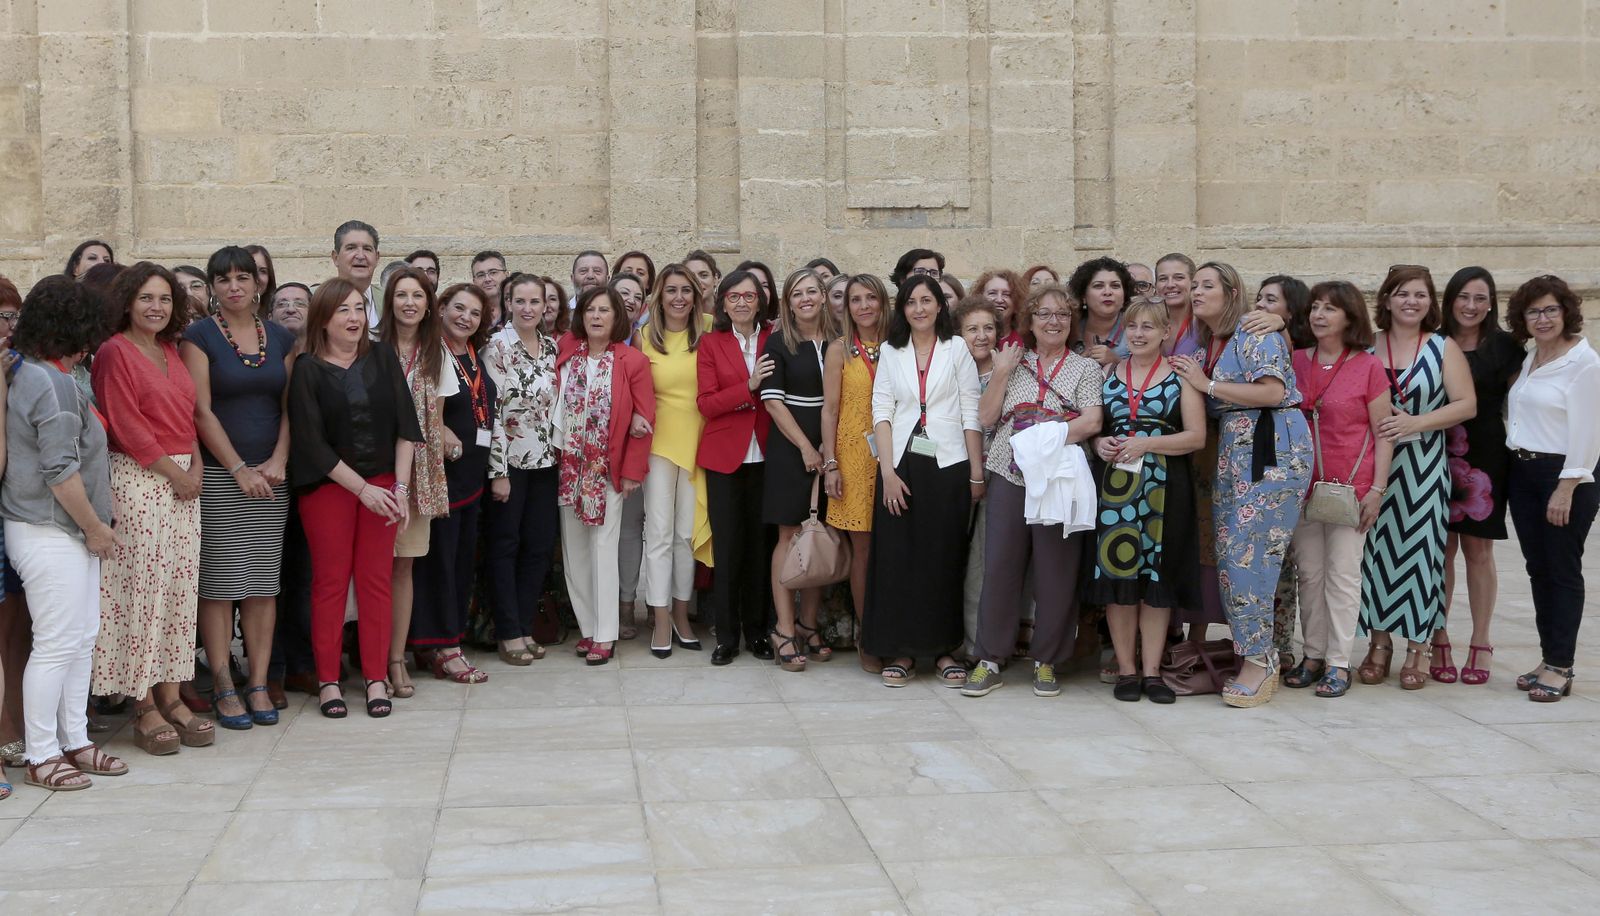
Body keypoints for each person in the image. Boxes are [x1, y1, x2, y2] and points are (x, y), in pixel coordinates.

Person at [2, 277, 127, 789]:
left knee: (81, 639)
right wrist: (95, 528)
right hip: (49, 528)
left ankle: (74, 739)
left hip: (65, 529)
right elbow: (59, 469)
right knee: (57, 643)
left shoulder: (49, 374)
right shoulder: (48, 382)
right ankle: (41, 753)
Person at [1171, 262, 1313, 707]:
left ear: (1232, 293)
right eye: (1194, 285)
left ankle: (1259, 662)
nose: (1196, 292)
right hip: (1235, 453)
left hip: (1271, 450)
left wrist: (1207, 384)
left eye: (1206, 285)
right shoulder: (1209, 342)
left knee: (1246, 558)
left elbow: (1273, 391)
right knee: (1235, 557)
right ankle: (1257, 652)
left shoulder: (1255, 332)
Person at [288, 278, 422, 718]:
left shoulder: (382, 357)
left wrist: (399, 489)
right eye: (342, 310)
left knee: (376, 582)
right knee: (330, 583)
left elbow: (406, 427)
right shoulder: (307, 368)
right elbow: (311, 444)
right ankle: (329, 681)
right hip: (330, 489)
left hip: (384, 486)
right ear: (324, 319)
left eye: (359, 309)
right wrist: (362, 490)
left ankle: (375, 677)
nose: (353, 318)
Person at [89, 263, 208, 748]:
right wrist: (176, 474)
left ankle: (173, 695)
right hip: (140, 481)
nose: (156, 307)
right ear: (126, 303)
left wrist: (196, 465)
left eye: (164, 298)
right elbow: (125, 424)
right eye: (146, 298)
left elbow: (188, 416)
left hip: (183, 483)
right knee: (143, 592)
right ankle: (143, 705)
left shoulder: (169, 349)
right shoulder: (114, 352)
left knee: (178, 591)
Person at [964, 284, 1103, 697]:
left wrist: (1041, 438)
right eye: (1044, 314)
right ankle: (990, 658)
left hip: (1059, 478)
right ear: (1030, 320)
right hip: (1009, 473)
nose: (1053, 322)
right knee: (1000, 567)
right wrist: (1001, 372)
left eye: (1062, 314)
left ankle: (1047, 661)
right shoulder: (1011, 361)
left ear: (1071, 321)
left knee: (1056, 571)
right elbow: (986, 416)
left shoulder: (1084, 368)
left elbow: (1092, 421)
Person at [181, 247, 295, 729]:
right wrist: (237, 469)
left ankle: (259, 681)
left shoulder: (282, 336)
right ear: (212, 287)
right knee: (220, 584)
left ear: (258, 283)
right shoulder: (199, 336)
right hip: (221, 477)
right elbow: (200, 410)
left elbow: (291, 407)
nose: (234, 286)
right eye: (223, 279)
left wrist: (279, 459)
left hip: (272, 478)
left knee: (263, 584)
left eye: (243, 277)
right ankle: (225, 684)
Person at [1358, 266, 1476, 690]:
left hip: (1423, 467)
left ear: (1430, 302)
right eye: (1403, 293)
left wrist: (1416, 423)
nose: (1412, 301)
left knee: (1422, 555)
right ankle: (1379, 644)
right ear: (1387, 300)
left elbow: (1466, 404)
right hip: (1375, 467)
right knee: (1374, 553)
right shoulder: (1368, 346)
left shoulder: (1442, 347)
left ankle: (1418, 647)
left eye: (1420, 295)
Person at [867, 274, 984, 688]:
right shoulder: (890, 350)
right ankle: (900, 650)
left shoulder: (957, 349)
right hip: (899, 464)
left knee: (943, 558)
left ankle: (944, 649)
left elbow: (970, 411)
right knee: (898, 559)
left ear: (939, 306)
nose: (919, 308)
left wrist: (976, 473)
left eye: (926, 300)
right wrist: (887, 473)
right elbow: (881, 411)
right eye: (911, 301)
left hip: (948, 463)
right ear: (903, 309)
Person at [1085, 299, 1204, 703]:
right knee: (1118, 574)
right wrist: (1099, 443)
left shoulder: (1181, 376)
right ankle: (1126, 670)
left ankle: (1152, 672)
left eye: (1148, 327)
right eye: (1132, 326)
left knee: (1156, 577)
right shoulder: (1107, 373)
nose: (1138, 334)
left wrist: (1146, 444)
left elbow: (1196, 437)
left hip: (1164, 487)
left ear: (1166, 333)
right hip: (1115, 488)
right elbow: (1095, 428)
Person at [1284, 281, 1393, 698]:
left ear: (1350, 317)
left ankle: (1338, 662)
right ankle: (1312, 655)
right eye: (1315, 307)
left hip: (1352, 488)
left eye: (1330, 308)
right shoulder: (1296, 359)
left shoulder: (1368, 366)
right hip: (1302, 485)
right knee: (1309, 574)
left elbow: (1384, 433)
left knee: (1343, 575)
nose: (1319, 315)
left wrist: (1377, 489)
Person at [1505, 275, 1600, 702]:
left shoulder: (1584, 363)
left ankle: (1561, 665)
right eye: (1533, 311)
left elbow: (1590, 432)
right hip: (1524, 472)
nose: (1542, 319)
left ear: (1566, 313)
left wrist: (1566, 487)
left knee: (1562, 571)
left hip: (1564, 476)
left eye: (1550, 310)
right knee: (1538, 569)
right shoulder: (1533, 357)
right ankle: (1549, 657)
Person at [555, 287, 654, 666]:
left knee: (603, 548)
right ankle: (588, 627)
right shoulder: (567, 350)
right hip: (569, 466)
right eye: (590, 310)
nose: (596, 316)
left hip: (606, 469)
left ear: (618, 318)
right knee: (575, 551)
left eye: (605, 310)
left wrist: (632, 472)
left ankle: (606, 633)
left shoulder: (632, 361)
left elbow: (645, 418)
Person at [1436, 267, 1521, 685]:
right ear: (1450, 299)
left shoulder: (1506, 347)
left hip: (1485, 458)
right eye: (1464, 297)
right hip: (1435, 451)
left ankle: (1481, 641)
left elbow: (1520, 404)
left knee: (1478, 551)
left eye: (1480, 298)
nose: (1471, 306)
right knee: (1441, 551)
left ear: (1491, 304)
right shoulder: (1433, 341)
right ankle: (1438, 639)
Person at [375, 267, 456, 697]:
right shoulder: (371, 346)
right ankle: (370, 661)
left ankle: (395, 658)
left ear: (429, 305)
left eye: (418, 295)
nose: (409, 302)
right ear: (389, 302)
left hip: (419, 472)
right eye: (401, 295)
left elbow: (436, 419)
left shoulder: (436, 353)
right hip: (373, 470)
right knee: (370, 570)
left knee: (402, 566)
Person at [411, 284, 495, 684]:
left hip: (472, 477)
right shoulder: (431, 352)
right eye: (459, 308)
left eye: (475, 313)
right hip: (441, 478)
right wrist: (441, 427)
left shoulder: (476, 354)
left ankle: (447, 640)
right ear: (441, 308)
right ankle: (442, 647)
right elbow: (422, 405)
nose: (466, 317)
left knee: (460, 564)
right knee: (439, 565)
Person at [760, 268, 840, 671]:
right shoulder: (778, 342)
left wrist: (830, 445)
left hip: (833, 446)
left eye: (812, 291)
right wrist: (807, 447)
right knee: (790, 534)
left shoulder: (840, 340)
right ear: (788, 303)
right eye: (797, 293)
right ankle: (785, 628)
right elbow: (773, 402)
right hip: (791, 448)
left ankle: (809, 624)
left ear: (824, 296)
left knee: (820, 532)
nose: (805, 298)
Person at [481, 274, 560, 666]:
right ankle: (508, 631)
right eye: (520, 301)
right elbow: (492, 411)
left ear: (546, 305)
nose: (528, 309)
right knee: (505, 546)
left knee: (539, 546)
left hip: (546, 463)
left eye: (535, 302)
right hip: (510, 464)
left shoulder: (551, 348)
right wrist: (498, 472)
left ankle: (526, 626)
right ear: (508, 303)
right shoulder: (496, 347)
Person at [698, 270, 774, 666]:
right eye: (734, 296)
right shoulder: (711, 343)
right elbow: (707, 404)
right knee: (728, 550)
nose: (742, 302)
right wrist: (748, 386)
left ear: (760, 301)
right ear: (723, 303)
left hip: (769, 456)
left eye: (749, 296)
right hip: (725, 458)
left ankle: (758, 633)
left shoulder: (775, 338)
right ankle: (726, 637)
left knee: (761, 549)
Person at [637, 265, 708, 658]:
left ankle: (682, 613)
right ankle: (661, 616)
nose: (679, 298)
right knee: (660, 533)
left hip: (700, 444)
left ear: (696, 297)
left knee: (686, 534)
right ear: (659, 297)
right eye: (671, 291)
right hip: (658, 445)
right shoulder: (644, 336)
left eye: (686, 290)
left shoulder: (709, 330)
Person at [821, 274, 889, 671]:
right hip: (854, 456)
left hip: (896, 456)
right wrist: (830, 462)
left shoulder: (900, 345)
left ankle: (896, 629)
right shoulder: (839, 349)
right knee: (863, 550)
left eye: (870, 298)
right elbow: (829, 410)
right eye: (855, 300)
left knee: (895, 548)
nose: (864, 306)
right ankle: (869, 636)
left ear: (883, 302)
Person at [1253, 273, 1313, 671]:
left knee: (1286, 557)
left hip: (1293, 455)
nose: (1261, 306)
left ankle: (1283, 642)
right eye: (1259, 298)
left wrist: (1280, 325)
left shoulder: (1295, 346)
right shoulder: (1257, 339)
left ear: (1292, 310)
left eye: (1271, 300)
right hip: (1264, 454)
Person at [954, 297, 1001, 661]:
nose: (981, 336)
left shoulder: (1009, 370)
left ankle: (976, 646)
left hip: (996, 477)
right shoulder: (949, 369)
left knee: (981, 566)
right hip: (954, 474)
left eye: (988, 328)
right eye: (972, 329)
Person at [612, 272, 650, 641]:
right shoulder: (588, 340)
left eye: (636, 296)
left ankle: (629, 605)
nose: (629, 300)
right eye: (622, 293)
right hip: (601, 453)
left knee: (632, 529)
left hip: (643, 448)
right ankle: (606, 608)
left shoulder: (646, 339)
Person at [1068, 257, 1134, 369]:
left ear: (1124, 294)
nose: (1107, 292)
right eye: (1098, 286)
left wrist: (1117, 362)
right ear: (1083, 296)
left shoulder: (1137, 330)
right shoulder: (1068, 329)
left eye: (1115, 286)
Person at [329, 220, 382, 327]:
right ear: (336, 258)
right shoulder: (314, 299)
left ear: (376, 258)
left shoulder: (391, 300)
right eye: (351, 248)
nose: (360, 256)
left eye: (367, 249)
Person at [1154, 253, 1200, 357]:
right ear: (1156, 286)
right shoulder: (1149, 323)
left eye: (1179, 277)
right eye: (1163, 279)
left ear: (1193, 283)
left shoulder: (1206, 325)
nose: (1170, 284)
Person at [973, 268, 1024, 337]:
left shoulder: (1025, 340)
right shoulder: (966, 339)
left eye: (1006, 294)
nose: (999, 300)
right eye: (992, 293)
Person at [471, 251, 508, 326]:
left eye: (493, 272)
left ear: (506, 275)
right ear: (474, 281)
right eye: (481, 275)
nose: (487, 279)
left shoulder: (519, 309)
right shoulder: (469, 314)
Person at [246, 244, 278, 314]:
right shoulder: (221, 316)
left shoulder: (277, 316)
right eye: (250, 269)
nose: (256, 277)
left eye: (263, 271)